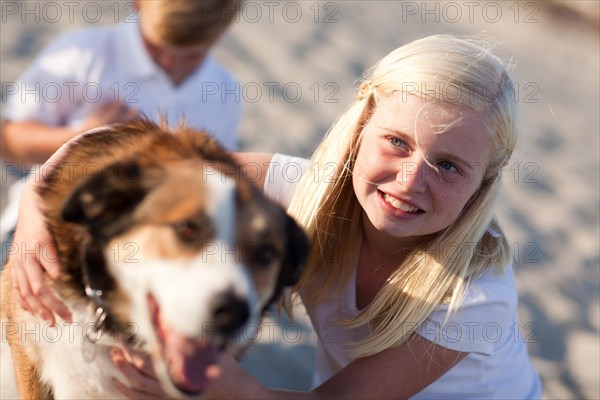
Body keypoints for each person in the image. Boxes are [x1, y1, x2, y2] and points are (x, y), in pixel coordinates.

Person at [7, 35, 542, 399]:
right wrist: (38, 197)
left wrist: (233, 388)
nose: (409, 181)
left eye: (448, 165)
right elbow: (143, 156)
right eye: (397, 142)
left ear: (485, 182)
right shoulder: (302, 188)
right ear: (360, 130)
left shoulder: (475, 297)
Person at [0, 0, 243, 255]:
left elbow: (218, 182)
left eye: (192, 56)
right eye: (155, 47)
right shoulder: (85, 53)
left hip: (146, 251)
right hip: (49, 226)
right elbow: (8, 141)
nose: (171, 62)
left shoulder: (224, 91)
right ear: (137, 4)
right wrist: (81, 137)